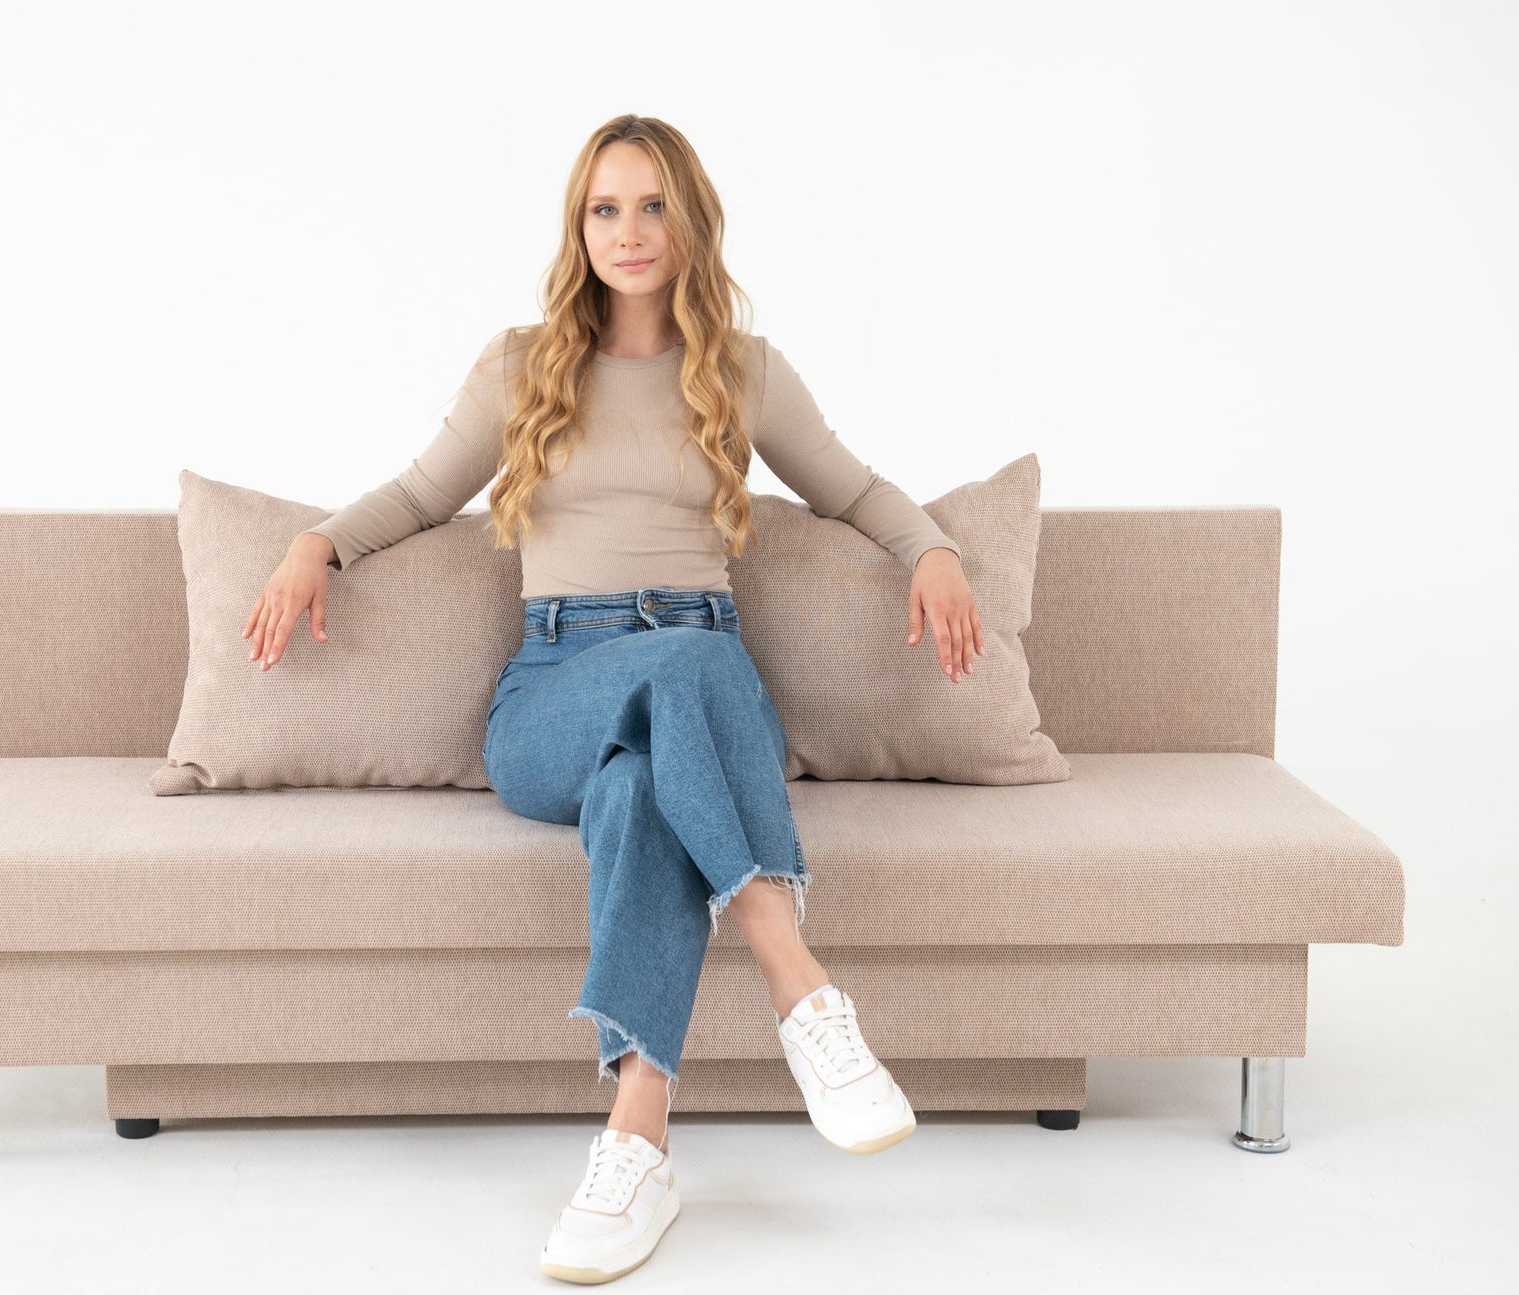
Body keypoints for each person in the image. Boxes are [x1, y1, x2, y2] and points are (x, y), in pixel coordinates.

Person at [241, 114, 983, 1284]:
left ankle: (635, 1144)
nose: (627, 232)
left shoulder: (742, 371)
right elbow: (421, 493)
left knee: (643, 787)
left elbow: (853, 488)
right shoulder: (520, 364)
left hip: (696, 690)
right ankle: (798, 983)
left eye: (650, 207)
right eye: (603, 209)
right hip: (553, 692)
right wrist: (311, 545)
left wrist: (933, 550)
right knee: (683, 663)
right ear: (576, 228)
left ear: (689, 223)